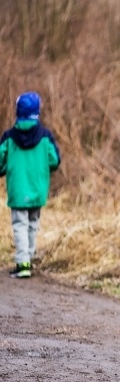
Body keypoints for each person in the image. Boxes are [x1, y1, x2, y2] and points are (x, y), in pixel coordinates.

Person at [0, 91, 61, 279]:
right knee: (32, 224)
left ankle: (23, 263)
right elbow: (54, 160)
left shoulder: (9, 137)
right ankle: (29, 257)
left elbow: (0, 160)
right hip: (38, 189)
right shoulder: (45, 136)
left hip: (18, 190)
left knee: (20, 225)